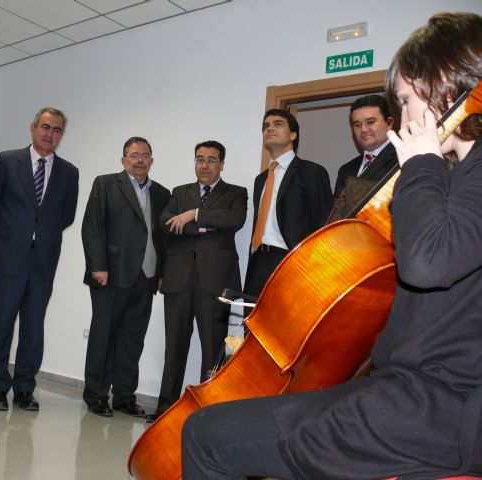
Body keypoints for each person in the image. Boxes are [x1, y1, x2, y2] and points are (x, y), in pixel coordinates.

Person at [181, 11, 482, 479]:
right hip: (404, 390)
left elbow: (426, 263)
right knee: (222, 426)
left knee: (206, 437)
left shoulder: (461, 172)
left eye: (404, 101)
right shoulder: (453, 176)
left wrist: (421, 161)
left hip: (433, 409)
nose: (400, 120)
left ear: (444, 84)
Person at [0, 107, 79, 412]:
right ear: (33, 127)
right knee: (0, 324)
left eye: (57, 130)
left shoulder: (69, 172)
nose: (50, 134)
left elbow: (66, 215)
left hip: (43, 262)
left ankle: (25, 388)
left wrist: (39, 236)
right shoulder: (7, 160)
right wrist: (18, 233)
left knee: (33, 328)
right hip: (7, 258)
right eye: (45, 127)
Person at [146, 140, 247, 422]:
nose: (204, 165)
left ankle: (206, 412)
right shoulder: (179, 193)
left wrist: (193, 215)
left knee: (212, 349)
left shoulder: (237, 193)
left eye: (211, 160)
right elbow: (166, 223)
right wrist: (205, 225)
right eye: (199, 159)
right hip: (178, 280)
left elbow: (234, 220)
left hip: (215, 282)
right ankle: (164, 408)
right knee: (174, 347)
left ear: (222, 164)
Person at [81, 137, 170, 417]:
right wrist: (98, 266)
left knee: (133, 339)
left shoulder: (162, 193)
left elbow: (164, 238)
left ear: (151, 161)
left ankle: (124, 396)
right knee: (103, 336)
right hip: (111, 273)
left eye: (145, 155)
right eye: (134, 155)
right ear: (123, 160)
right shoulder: (105, 184)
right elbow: (92, 227)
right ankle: (96, 395)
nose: (140, 160)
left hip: (146, 277)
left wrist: (162, 273)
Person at [243, 109, 332, 309]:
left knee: (284, 331)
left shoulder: (312, 172)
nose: (270, 128)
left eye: (277, 124)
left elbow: (323, 224)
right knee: (252, 329)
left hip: (291, 262)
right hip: (258, 261)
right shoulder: (260, 180)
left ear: (293, 135)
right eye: (266, 126)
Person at [333, 94, 398, 198]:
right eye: (357, 125)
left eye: (370, 122)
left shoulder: (402, 160)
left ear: (389, 123)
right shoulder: (346, 169)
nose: (363, 129)